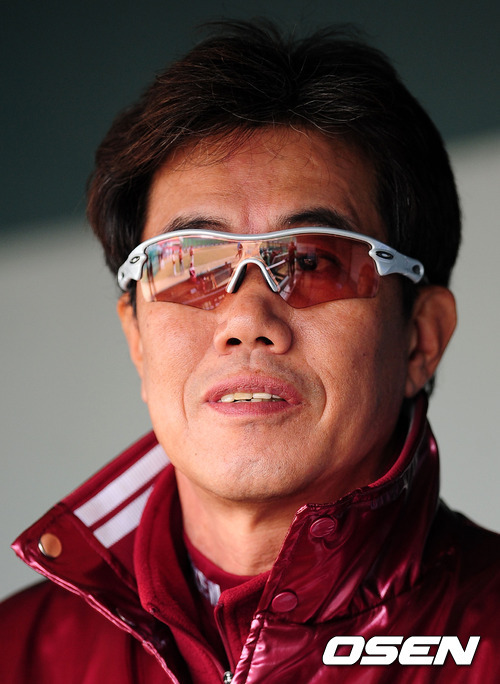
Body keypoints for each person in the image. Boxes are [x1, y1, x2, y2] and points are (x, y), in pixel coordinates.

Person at [1, 20, 499, 683]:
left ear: (420, 339)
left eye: (314, 260)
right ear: (137, 337)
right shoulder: (15, 653)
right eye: (190, 265)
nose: (246, 320)